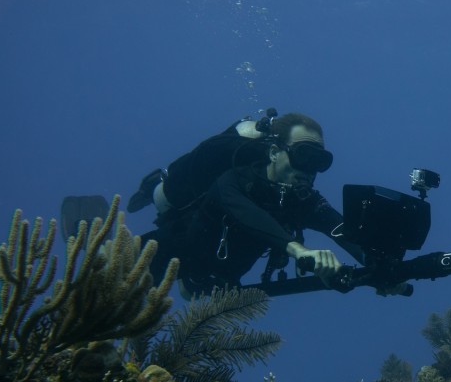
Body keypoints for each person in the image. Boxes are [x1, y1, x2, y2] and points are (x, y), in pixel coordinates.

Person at [133, 111, 367, 297]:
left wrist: (377, 265)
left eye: (319, 162)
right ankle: (151, 189)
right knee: (108, 266)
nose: (308, 169)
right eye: (303, 155)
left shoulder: (303, 201)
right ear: (275, 152)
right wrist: (300, 251)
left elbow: (344, 231)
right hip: (168, 249)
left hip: (218, 277)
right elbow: (246, 213)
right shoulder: (236, 180)